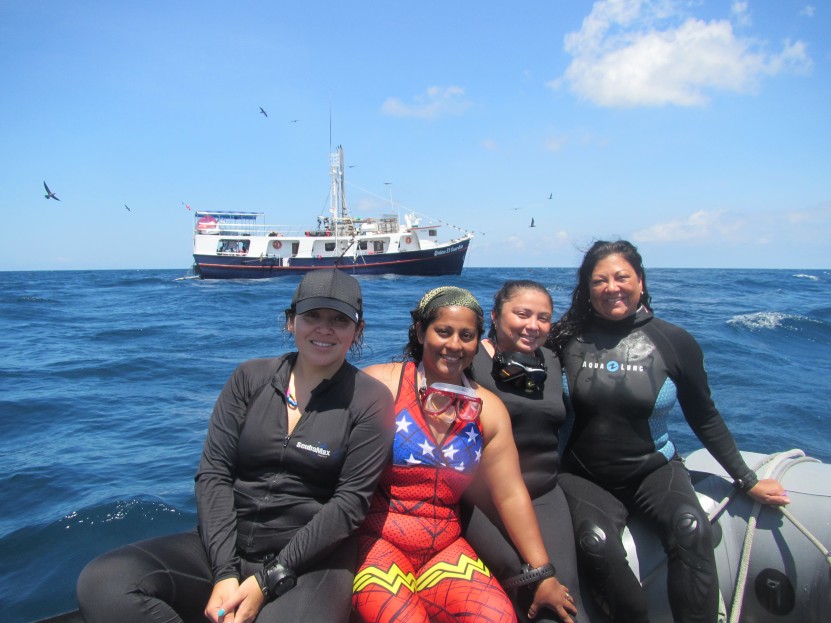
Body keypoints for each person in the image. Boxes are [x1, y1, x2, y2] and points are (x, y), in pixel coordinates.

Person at [77, 269, 395, 623]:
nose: (324, 328)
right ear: (291, 322)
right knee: (103, 584)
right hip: (225, 548)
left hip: (310, 561)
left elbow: (349, 505)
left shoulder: (370, 399)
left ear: (358, 331)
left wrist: (268, 579)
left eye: (339, 320)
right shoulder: (250, 378)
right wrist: (224, 572)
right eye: (312, 316)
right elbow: (213, 474)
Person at [549, 240, 790, 623]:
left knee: (690, 529)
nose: (612, 287)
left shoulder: (673, 341)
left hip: (654, 470)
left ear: (640, 282)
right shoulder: (562, 340)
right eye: (599, 281)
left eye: (621, 277)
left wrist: (745, 479)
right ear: (587, 289)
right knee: (595, 542)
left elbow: (704, 416)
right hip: (582, 475)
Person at [352, 286, 577, 623]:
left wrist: (542, 572)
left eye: (466, 335)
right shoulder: (380, 384)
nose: (454, 345)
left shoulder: (489, 410)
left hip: (442, 547)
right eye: (443, 331)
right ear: (420, 331)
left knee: (499, 617)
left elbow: (511, 493)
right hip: (376, 542)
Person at [461, 280, 589, 623]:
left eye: (543, 317)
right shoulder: (469, 360)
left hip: (544, 492)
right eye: (522, 314)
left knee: (566, 600)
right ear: (494, 316)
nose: (533, 325)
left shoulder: (551, 359)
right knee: (528, 585)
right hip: (484, 500)